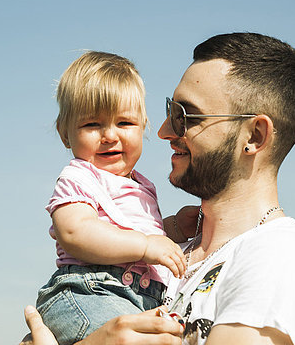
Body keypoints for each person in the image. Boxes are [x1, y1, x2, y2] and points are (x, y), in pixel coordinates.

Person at [21, 33, 295, 345]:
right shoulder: (173, 257)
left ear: (254, 136)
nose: (163, 131)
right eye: (170, 112)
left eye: (186, 116)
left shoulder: (279, 257)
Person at [35, 51, 191, 345]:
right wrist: (145, 246)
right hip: (89, 290)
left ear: (143, 126)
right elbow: (76, 231)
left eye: (124, 123)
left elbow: (138, 230)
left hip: (136, 297)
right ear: (65, 134)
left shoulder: (142, 185)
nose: (109, 135)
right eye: (92, 125)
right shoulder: (78, 177)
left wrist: (173, 228)